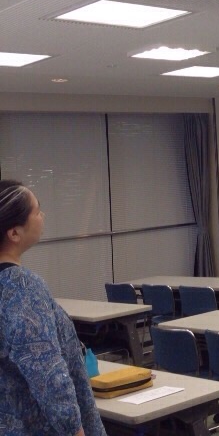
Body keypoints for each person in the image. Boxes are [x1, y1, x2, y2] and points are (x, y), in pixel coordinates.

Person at [0, 180, 107, 436]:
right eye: (37, 211)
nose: (43, 216)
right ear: (14, 233)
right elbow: (48, 374)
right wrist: (75, 429)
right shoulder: (23, 288)